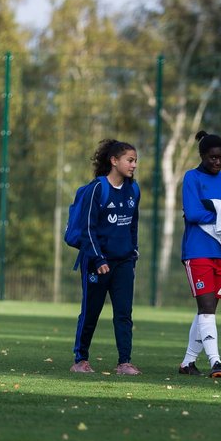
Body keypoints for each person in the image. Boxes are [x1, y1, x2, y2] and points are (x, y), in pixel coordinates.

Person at [71, 139, 141, 375]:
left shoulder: (134, 189)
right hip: (96, 263)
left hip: (123, 263)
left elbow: (133, 225)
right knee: (91, 312)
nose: (133, 165)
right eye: (129, 160)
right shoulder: (97, 189)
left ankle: (124, 362)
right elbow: (87, 229)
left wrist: (133, 252)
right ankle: (80, 360)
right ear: (114, 161)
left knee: (124, 314)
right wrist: (99, 259)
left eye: (135, 161)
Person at [178, 130, 221, 378]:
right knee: (206, 307)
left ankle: (187, 363)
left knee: (209, 309)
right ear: (203, 155)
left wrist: (212, 206)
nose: (217, 162)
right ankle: (216, 361)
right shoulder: (191, 178)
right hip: (197, 252)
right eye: (212, 157)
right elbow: (192, 214)